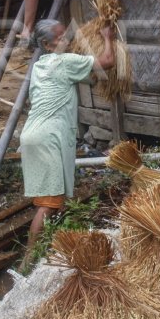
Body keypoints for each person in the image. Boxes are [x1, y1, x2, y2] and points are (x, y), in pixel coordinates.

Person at [19, 18, 116, 270]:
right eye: (61, 38)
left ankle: (46, 250)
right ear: (46, 44)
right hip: (48, 137)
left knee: (51, 199)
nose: (68, 40)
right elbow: (107, 62)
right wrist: (107, 37)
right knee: (47, 205)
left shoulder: (41, 66)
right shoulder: (64, 62)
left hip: (32, 135)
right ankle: (28, 262)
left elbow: (85, 79)